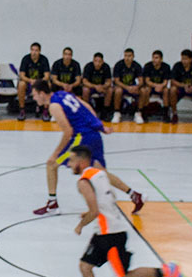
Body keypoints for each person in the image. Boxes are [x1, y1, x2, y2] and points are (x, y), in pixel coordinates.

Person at [66, 145, 188, 277]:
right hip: (117, 230)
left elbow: (95, 209)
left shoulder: (83, 182)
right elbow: (108, 199)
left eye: (72, 160)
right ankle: (167, 271)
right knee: (123, 276)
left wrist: (81, 224)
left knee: (86, 267)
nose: (69, 164)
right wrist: (91, 214)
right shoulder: (99, 173)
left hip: (107, 234)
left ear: (81, 162)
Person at [31, 80, 144, 217]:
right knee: (100, 172)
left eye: (35, 95)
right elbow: (87, 107)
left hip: (81, 138)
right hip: (94, 135)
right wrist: (100, 126)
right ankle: (134, 195)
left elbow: (68, 132)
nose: (34, 98)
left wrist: (55, 154)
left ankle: (53, 204)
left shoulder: (54, 106)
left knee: (51, 164)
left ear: (42, 93)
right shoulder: (63, 94)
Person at [169, 48, 192, 124]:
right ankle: (174, 114)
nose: (183, 61)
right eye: (182, 59)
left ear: (190, 59)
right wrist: (183, 85)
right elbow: (173, 80)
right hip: (181, 88)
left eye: (185, 59)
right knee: (172, 89)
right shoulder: (177, 66)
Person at [16, 42, 51, 121]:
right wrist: (31, 80)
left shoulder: (44, 59)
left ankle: (45, 111)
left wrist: (38, 81)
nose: (34, 52)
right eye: (32, 50)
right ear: (30, 50)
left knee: (48, 84)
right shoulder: (26, 59)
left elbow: (47, 76)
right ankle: (22, 110)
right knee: (21, 84)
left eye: (36, 50)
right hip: (29, 82)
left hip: (40, 82)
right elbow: (22, 75)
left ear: (39, 51)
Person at [112, 47, 144, 125]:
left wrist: (136, 86)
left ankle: (138, 113)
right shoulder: (119, 65)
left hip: (132, 86)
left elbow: (141, 81)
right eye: (125, 56)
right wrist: (127, 87)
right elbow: (116, 80)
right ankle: (117, 113)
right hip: (122, 86)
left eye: (129, 56)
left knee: (143, 91)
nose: (127, 58)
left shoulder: (137, 66)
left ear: (133, 56)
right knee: (118, 91)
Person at [140, 50, 172, 123]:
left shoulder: (166, 67)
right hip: (151, 86)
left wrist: (160, 86)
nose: (154, 60)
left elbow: (166, 82)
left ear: (161, 59)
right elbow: (147, 81)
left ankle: (166, 113)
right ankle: (145, 112)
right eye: (153, 58)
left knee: (166, 90)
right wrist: (156, 86)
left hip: (161, 86)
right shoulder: (148, 66)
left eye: (156, 58)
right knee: (146, 90)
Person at [81, 52, 113, 120]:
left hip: (102, 87)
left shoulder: (106, 67)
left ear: (102, 61)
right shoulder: (88, 66)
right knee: (85, 90)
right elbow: (85, 81)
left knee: (110, 90)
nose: (97, 63)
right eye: (96, 61)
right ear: (93, 60)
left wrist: (103, 86)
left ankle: (105, 111)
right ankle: (87, 110)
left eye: (99, 61)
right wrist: (95, 86)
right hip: (92, 87)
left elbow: (109, 81)